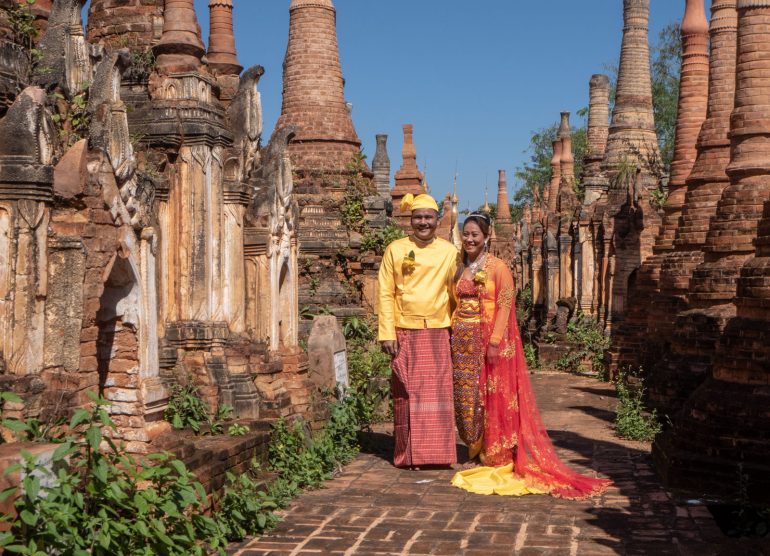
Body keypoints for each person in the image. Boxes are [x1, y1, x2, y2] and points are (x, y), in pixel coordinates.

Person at [450, 213, 612, 498]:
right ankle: (474, 446)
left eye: (475, 234)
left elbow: (504, 305)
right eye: (466, 233)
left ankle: (496, 455)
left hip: (489, 339)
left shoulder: (498, 268)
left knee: (493, 395)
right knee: (468, 397)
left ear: (486, 237)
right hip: (462, 342)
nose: (470, 239)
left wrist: (495, 341)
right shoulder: (458, 266)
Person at [378, 193, 459, 468]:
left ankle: (439, 455)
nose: (423, 222)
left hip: (438, 329)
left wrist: (464, 327)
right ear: (410, 220)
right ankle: (407, 454)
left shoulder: (449, 252)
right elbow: (385, 293)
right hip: (404, 328)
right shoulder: (395, 249)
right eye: (418, 217)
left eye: (428, 217)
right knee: (406, 393)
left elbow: (456, 292)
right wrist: (386, 332)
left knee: (437, 394)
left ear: (438, 220)